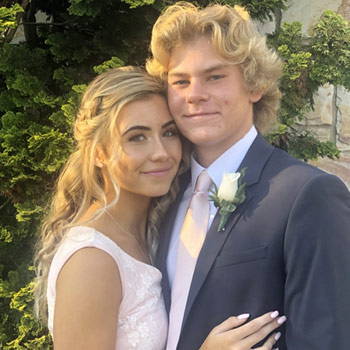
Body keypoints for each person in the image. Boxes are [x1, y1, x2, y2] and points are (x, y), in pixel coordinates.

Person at [34, 66, 285, 350]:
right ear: (100, 152)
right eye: (137, 137)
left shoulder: (158, 229)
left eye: (168, 133)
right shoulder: (92, 260)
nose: (161, 153)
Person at [146, 2, 350, 350]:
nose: (195, 94)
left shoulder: (309, 195)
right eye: (180, 81)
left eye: (215, 76)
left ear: (254, 86)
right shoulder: (162, 193)